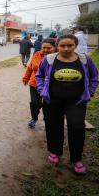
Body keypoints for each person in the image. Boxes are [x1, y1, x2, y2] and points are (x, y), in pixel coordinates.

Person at [36, 34, 98, 175]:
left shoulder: (85, 59)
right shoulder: (49, 59)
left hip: (76, 101)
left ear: (75, 45)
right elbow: (39, 75)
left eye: (69, 45)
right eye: (62, 45)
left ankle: (76, 159)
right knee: (53, 126)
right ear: (57, 46)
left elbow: (95, 77)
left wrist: (90, 92)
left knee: (77, 128)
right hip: (52, 101)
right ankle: (55, 152)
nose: (66, 48)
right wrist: (41, 90)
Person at [22, 38, 56, 128]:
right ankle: (34, 118)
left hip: (50, 86)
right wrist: (26, 78)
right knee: (35, 103)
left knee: (48, 105)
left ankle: (47, 120)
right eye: (43, 47)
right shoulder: (37, 54)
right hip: (35, 84)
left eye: (48, 48)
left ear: (54, 47)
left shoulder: (58, 57)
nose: (45, 50)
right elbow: (30, 67)